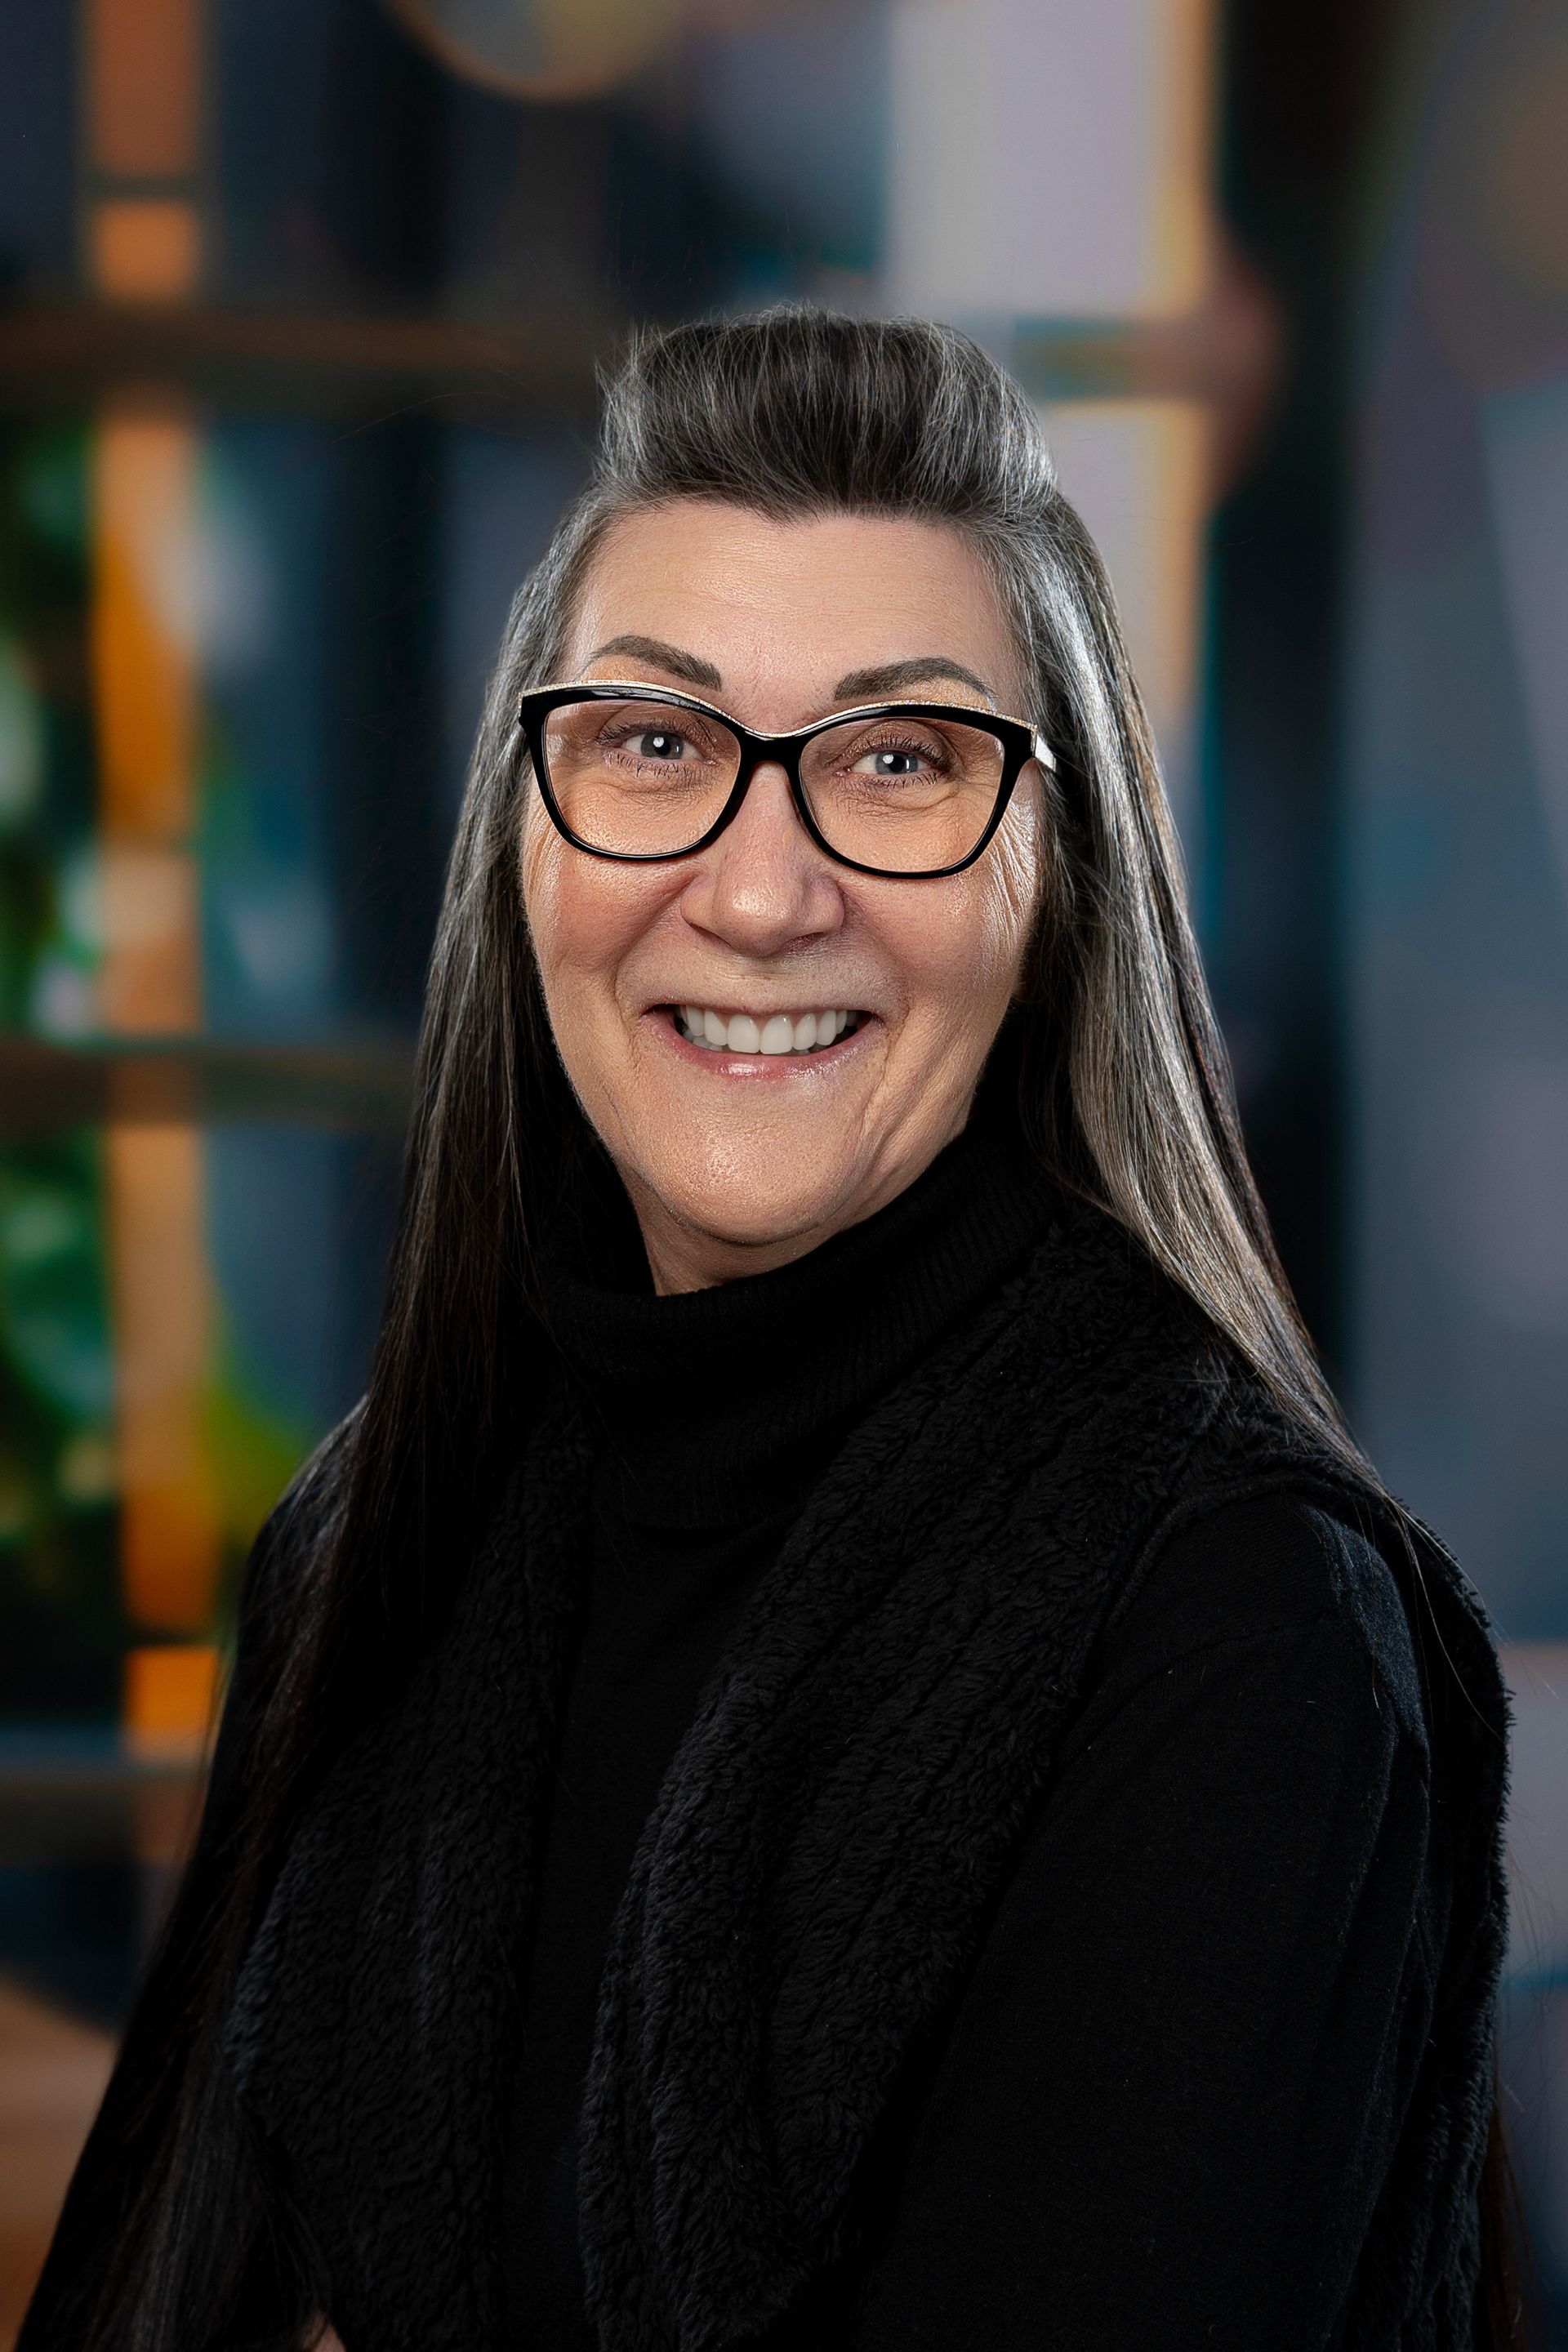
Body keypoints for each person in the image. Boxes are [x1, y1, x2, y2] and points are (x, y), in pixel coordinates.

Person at [23, 310, 1518, 2352]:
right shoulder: (370, 1539)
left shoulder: (1240, 1626)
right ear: (523, 840)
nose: (757, 892)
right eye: (655, 741)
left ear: (1053, 887)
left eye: (900, 763)